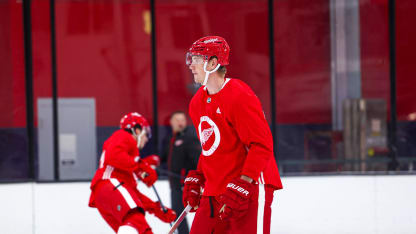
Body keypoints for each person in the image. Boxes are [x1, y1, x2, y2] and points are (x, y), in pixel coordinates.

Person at [182, 36, 283, 234]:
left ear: (213, 63)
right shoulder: (196, 103)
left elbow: (261, 145)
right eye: (190, 59)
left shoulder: (239, 95)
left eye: (196, 59)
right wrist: (199, 176)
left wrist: (244, 182)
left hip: (247, 190)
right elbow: (210, 147)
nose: (190, 65)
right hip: (214, 192)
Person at [88, 112, 176, 234]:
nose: (146, 140)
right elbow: (114, 156)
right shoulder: (124, 135)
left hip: (106, 193)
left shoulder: (126, 164)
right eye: (146, 135)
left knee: (136, 227)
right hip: (109, 184)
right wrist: (141, 167)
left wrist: (158, 210)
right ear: (137, 130)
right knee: (136, 220)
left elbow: (135, 195)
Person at [161, 111, 201, 234]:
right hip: (175, 185)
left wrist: (195, 179)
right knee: (178, 215)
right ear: (171, 122)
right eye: (177, 120)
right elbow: (165, 157)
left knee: (188, 214)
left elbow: (198, 161)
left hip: (186, 185)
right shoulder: (171, 139)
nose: (180, 122)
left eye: (182, 120)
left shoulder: (190, 138)